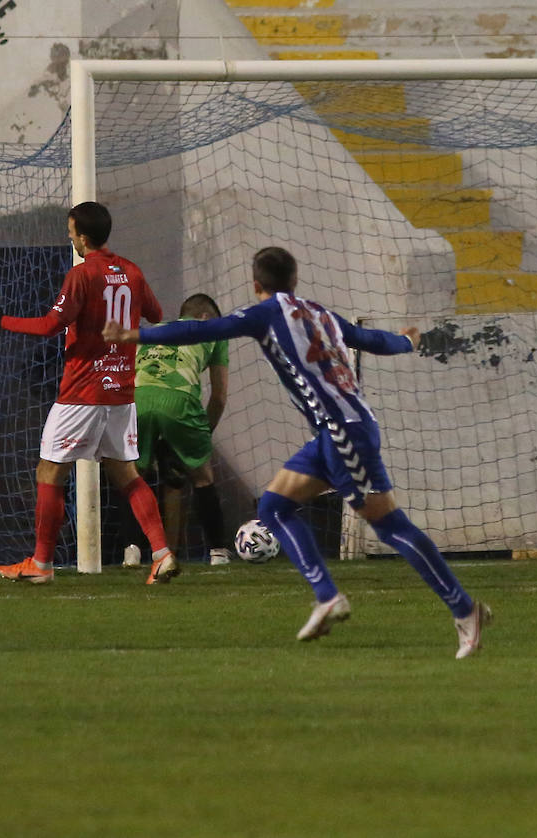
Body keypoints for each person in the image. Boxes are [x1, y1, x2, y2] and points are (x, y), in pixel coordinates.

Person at [103, 246, 493, 659]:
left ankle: (465, 610)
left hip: (345, 433)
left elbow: (198, 330)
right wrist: (405, 342)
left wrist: (134, 334)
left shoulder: (265, 313)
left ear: (257, 285)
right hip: (332, 433)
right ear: (295, 279)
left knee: (391, 527)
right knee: (274, 506)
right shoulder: (320, 313)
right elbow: (367, 339)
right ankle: (327, 597)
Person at [0, 201, 179, 585]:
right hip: (120, 390)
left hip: (82, 392)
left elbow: (51, 325)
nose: (69, 237)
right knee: (127, 474)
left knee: (49, 470)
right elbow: (154, 312)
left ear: (83, 237)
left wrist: (0, 320)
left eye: (71, 232)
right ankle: (162, 553)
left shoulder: (82, 275)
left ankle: (41, 564)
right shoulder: (132, 271)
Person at [120, 294, 233, 568]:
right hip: (178, 401)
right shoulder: (214, 333)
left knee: (134, 476)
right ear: (206, 318)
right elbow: (218, 397)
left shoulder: (151, 329)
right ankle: (218, 552)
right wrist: (204, 433)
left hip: (137, 398)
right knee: (203, 475)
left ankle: (132, 551)